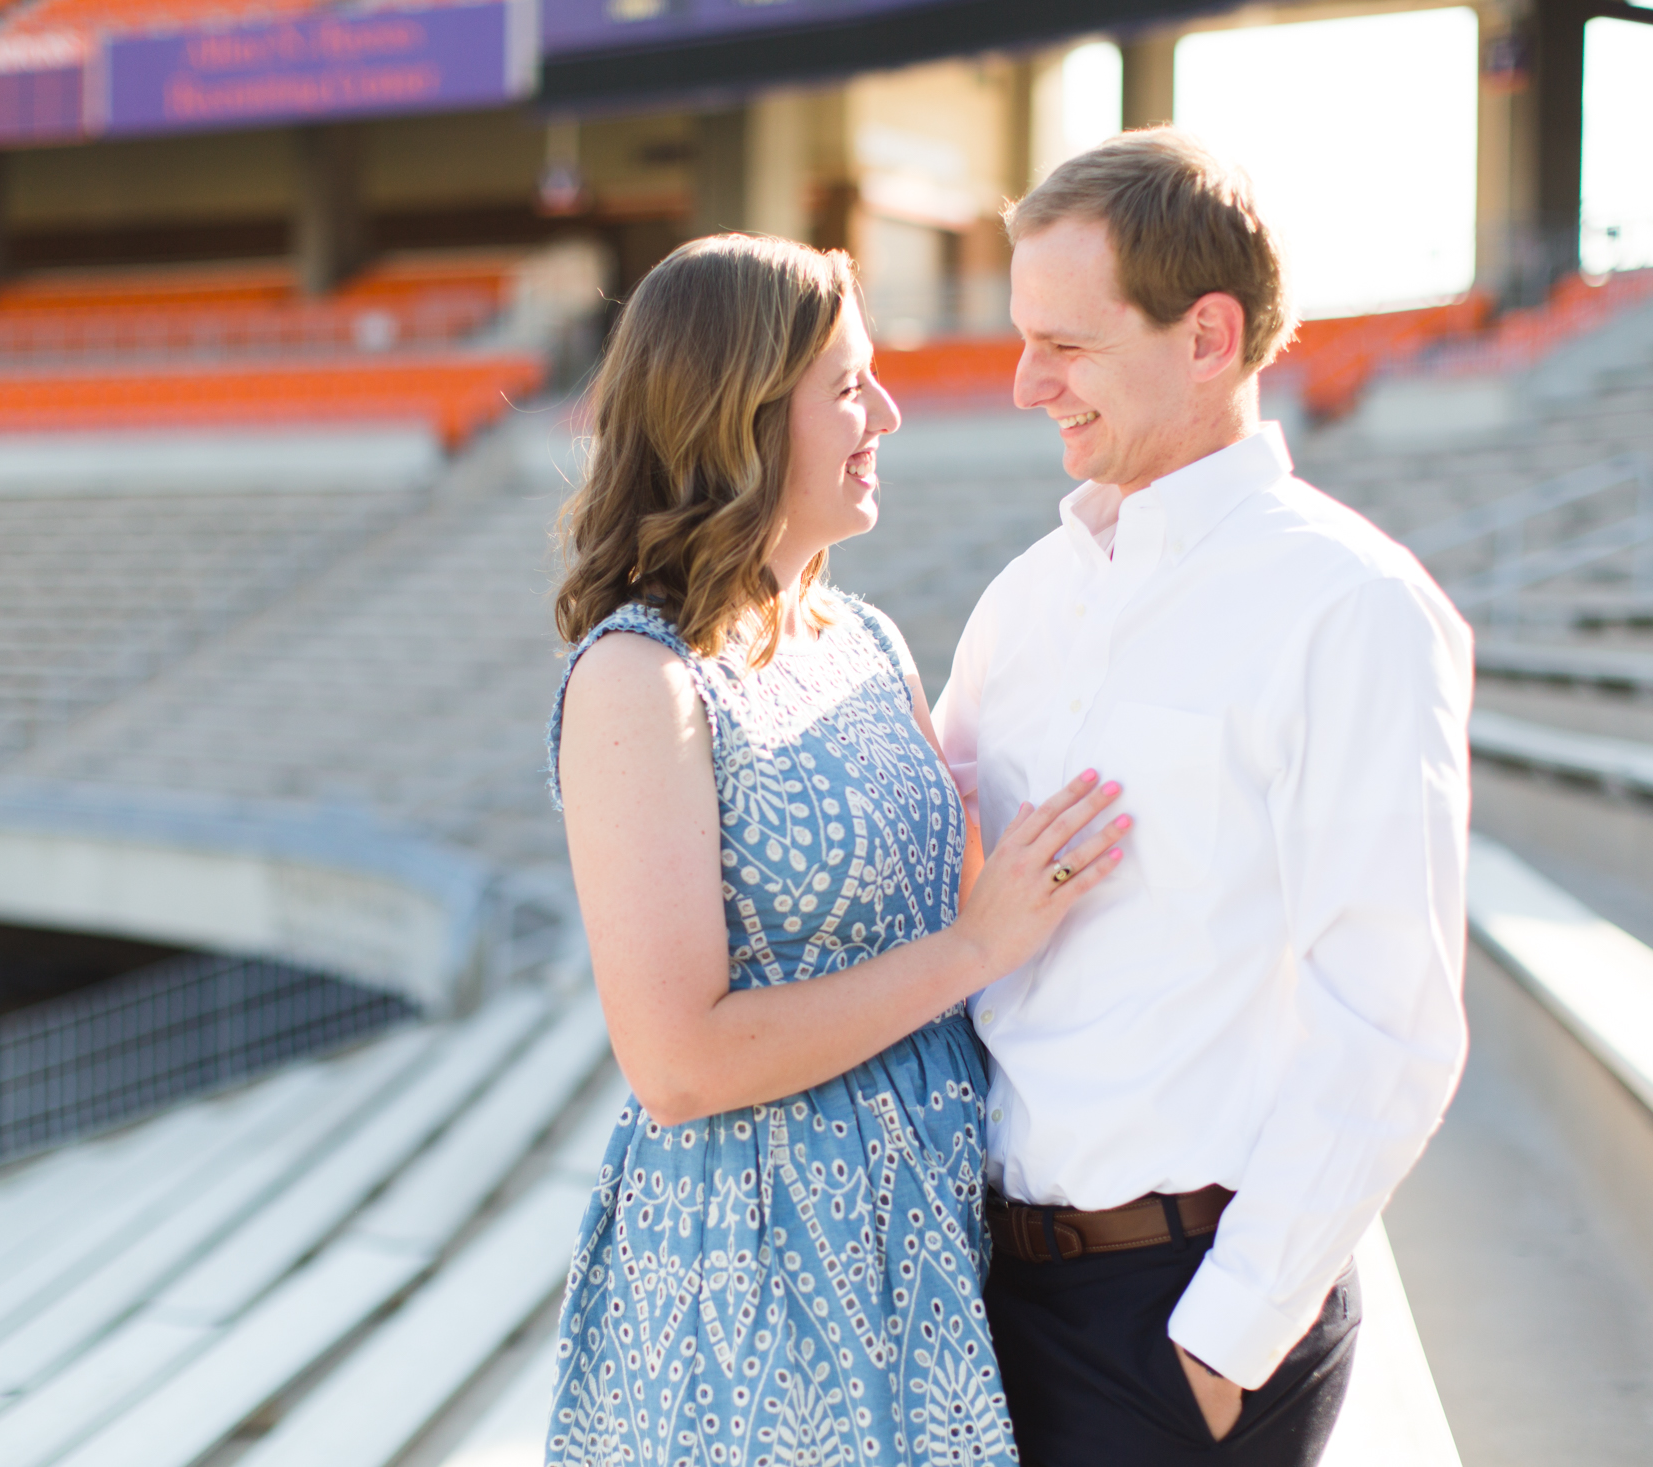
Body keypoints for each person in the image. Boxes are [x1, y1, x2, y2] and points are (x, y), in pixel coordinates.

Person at [544, 233, 1131, 1466]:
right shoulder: (639, 683)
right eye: (846, 387)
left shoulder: (867, 639)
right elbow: (678, 1061)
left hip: (932, 1243)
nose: (888, 415)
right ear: (737, 416)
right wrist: (977, 941)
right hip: (758, 1281)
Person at [933, 129, 1473, 1466]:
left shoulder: (1350, 606)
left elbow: (1393, 1022)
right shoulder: (1026, 598)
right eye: (1021, 338)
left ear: (1208, 335)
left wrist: (1219, 1345)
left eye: (1065, 343)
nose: (1023, 382)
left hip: (1176, 1318)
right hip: (992, 1289)